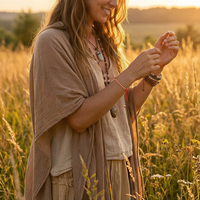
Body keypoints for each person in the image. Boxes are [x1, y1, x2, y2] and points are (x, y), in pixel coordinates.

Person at [24, 0, 179, 199]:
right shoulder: (53, 40)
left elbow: (122, 108)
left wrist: (154, 70)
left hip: (120, 166)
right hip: (78, 174)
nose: (114, 3)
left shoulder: (103, 39)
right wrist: (130, 73)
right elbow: (78, 119)